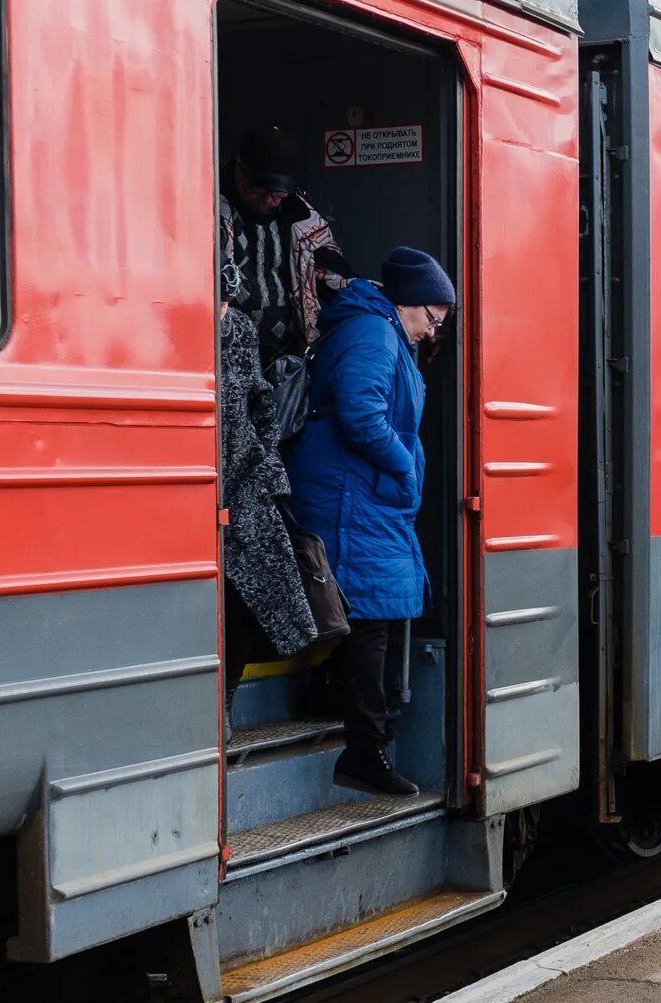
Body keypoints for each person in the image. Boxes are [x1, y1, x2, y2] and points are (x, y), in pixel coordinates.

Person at [286, 248, 455, 796]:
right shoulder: (373, 335)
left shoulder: (375, 330)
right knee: (371, 616)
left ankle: (339, 709)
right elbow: (362, 415)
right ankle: (366, 749)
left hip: (356, 490)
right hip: (350, 492)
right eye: (431, 319)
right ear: (407, 303)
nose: (432, 333)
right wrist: (404, 464)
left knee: (359, 608)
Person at [218, 291, 318, 727]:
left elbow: (259, 403)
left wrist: (268, 467)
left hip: (244, 482)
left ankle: (225, 700)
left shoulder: (237, 327)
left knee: (251, 594)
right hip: (205, 483)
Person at [220, 126, 354, 362]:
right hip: (224, 358)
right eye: (262, 191)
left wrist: (395, 309)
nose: (271, 200)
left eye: (279, 194)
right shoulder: (207, 208)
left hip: (284, 360)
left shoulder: (299, 217)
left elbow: (338, 277)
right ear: (240, 171)